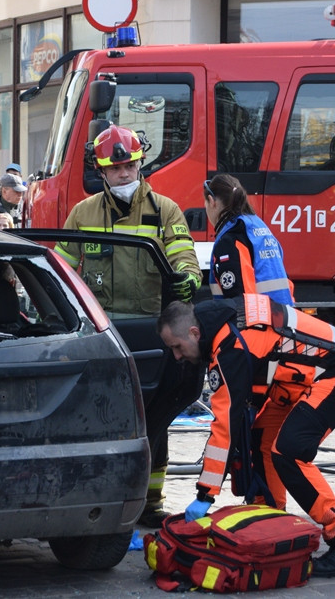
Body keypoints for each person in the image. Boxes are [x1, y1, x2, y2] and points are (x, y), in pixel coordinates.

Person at [157, 295, 335, 577]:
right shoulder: (222, 321)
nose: (177, 356)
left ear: (195, 333)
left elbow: (225, 428)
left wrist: (205, 494)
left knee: (289, 451)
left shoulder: (229, 346)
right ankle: (270, 521)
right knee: (260, 441)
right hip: (298, 379)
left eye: (177, 347)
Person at [55, 124, 202, 528]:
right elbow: (62, 269)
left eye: (130, 166)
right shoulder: (83, 213)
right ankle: (101, 497)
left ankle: (151, 503)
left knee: (155, 419)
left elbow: (183, 256)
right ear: (101, 171)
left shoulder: (165, 210)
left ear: (140, 164)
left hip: (154, 334)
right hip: (103, 334)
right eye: (116, 168)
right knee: (102, 417)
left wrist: (188, 279)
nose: (124, 174)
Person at [203, 173, 294, 305]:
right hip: (283, 313)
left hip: (259, 316)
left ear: (212, 201)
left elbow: (240, 302)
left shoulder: (232, 237)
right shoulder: (257, 226)